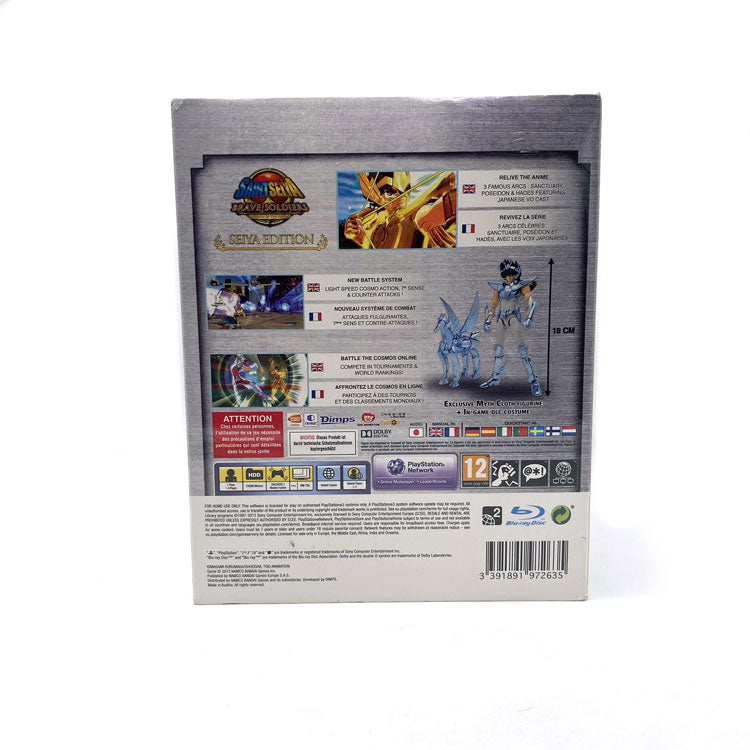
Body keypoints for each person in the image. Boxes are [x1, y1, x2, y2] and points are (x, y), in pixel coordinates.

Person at [343, 171, 456, 248]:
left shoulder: (419, 216)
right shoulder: (379, 226)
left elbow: (435, 213)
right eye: (389, 192)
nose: (399, 196)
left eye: (404, 190)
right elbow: (371, 241)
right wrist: (356, 233)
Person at [480, 259, 542, 396]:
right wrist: (488, 320)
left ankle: (533, 380)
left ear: (516, 274)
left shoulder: (521, 286)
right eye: (506, 275)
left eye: (511, 274)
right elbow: (494, 304)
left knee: (522, 350)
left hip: (513, 317)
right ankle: (496, 377)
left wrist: (529, 317)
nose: (509, 278)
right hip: (501, 318)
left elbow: (530, 301)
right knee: (498, 349)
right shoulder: (500, 287)